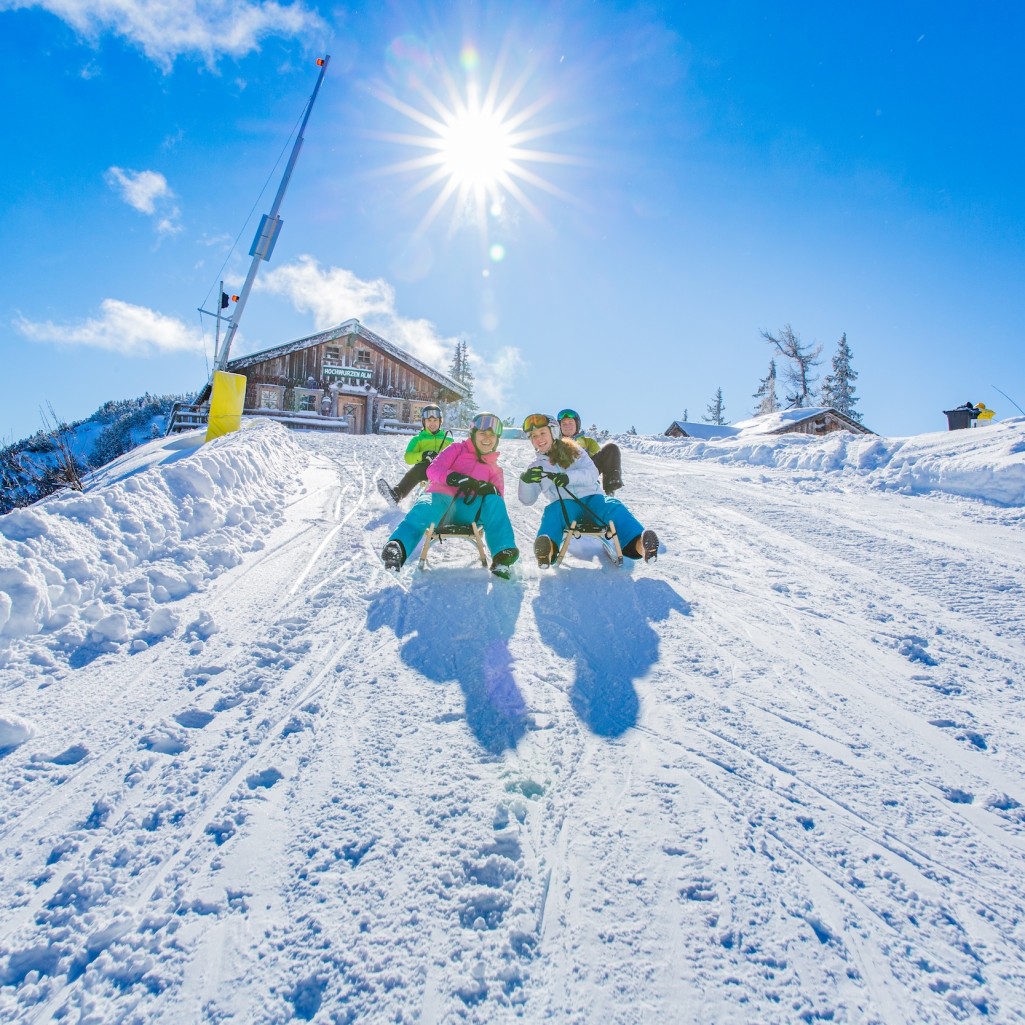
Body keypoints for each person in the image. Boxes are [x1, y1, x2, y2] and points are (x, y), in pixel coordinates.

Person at [381, 412, 519, 573]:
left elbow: (497, 503)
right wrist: (453, 477)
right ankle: (398, 547)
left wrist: (489, 489)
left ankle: (502, 555)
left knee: (494, 501)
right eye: (482, 433)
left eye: (492, 435)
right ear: (473, 433)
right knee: (425, 505)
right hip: (441, 505)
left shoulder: (495, 469)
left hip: (471, 513)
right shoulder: (456, 449)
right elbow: (433, 469)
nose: (487, 438)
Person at [518, 413, 658, 567]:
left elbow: (592, 473)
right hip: (566, 506)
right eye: (534, 436)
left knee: (613, 506)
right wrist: (526, 481)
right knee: (553, 512)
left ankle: (642, 545)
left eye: (542, 433)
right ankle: (547, 551)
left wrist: (568, 478)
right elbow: (527, 500)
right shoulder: (536, 467)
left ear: (554, 432)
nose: (539, 439)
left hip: (593, 500)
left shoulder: (574, 451)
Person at [377, 405, 452, 505]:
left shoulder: (448, 440)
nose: (432, 423)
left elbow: (456, 456)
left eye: (435, 420)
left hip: (443, 471)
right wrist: (423, 455)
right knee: (416, 471)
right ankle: (397, 494)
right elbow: (408, 457)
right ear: (424, 421)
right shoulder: (418, 439)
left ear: (440, 421)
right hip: (424, 470)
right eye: (429, 420)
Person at [556, 408, 623, 494]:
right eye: (564, 424)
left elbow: (600, 461)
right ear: (559, 427)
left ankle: (610, 490)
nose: (567, 426)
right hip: (566, 474)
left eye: (570, 423)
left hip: (585, 471)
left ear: (577, 425)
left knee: (611, 448)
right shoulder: (554, 442)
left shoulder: (588, 442)